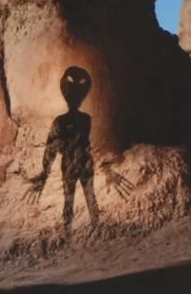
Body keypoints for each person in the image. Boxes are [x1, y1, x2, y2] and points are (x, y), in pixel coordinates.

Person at [24, 66, 132, 236]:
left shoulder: (69, 120)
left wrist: (45, 173)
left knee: (80, 198)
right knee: (80, 198)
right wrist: (44, 174)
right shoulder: (80, 120)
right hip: (78, 163)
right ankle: (80, 231)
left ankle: (83, 231)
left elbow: (53, 148)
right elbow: (54, 147)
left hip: (77, 164)